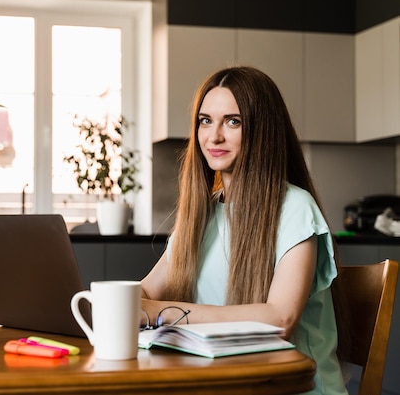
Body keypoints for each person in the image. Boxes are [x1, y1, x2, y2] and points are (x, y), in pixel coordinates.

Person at [141, 66, 348, 395]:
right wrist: (123, 303)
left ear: (261, 130)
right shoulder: (202, 212)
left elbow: (280, 319)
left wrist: (165, 314)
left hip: (291, 388)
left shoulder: (295, 208)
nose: (214, 136)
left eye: (232, 121)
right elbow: (148, 292)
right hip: (225, 384)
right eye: (205, 120)